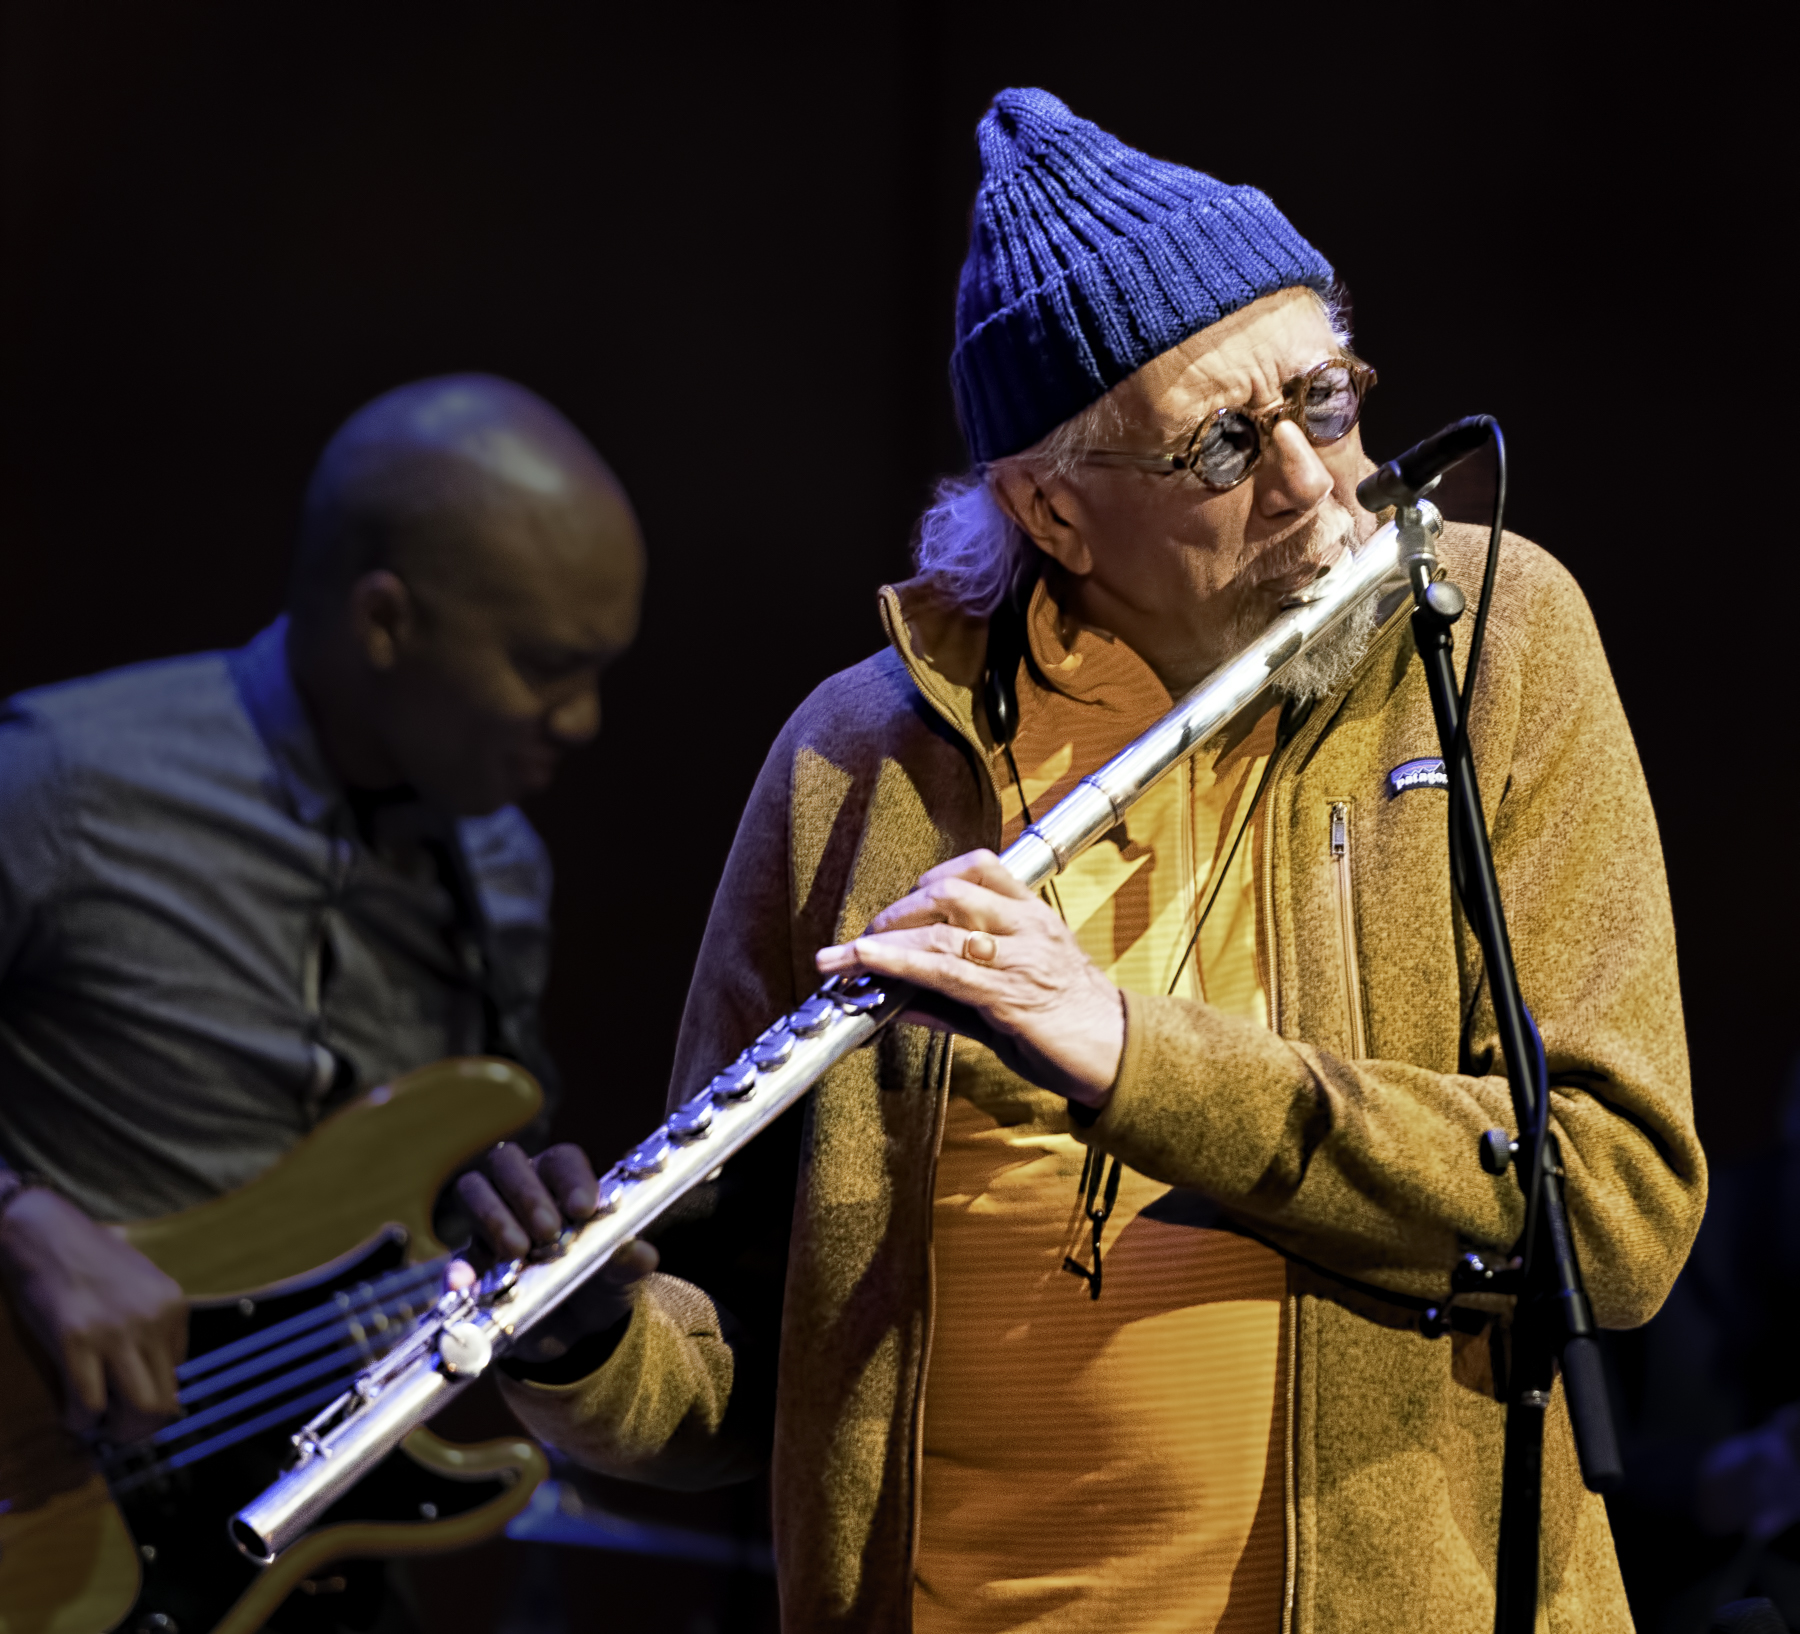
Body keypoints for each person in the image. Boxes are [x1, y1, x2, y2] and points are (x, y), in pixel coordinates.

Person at [492, 91, 1705, 1632]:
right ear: (1053, 508)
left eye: (1323, 399)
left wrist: (1138, 1058)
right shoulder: (859, 764)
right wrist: (586, 1342)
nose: (1316, 484)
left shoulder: (1487, 638)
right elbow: (749, 1363)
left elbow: (1616, 1206)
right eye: (1221, 444)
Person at [0, 373, 644, 1448]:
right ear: (384, 619)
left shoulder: (503, 867)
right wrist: (14, 1216)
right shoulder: (61, 787)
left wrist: (546, 1268)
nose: (582, 720)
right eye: (545, 668)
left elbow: (433, 1236)